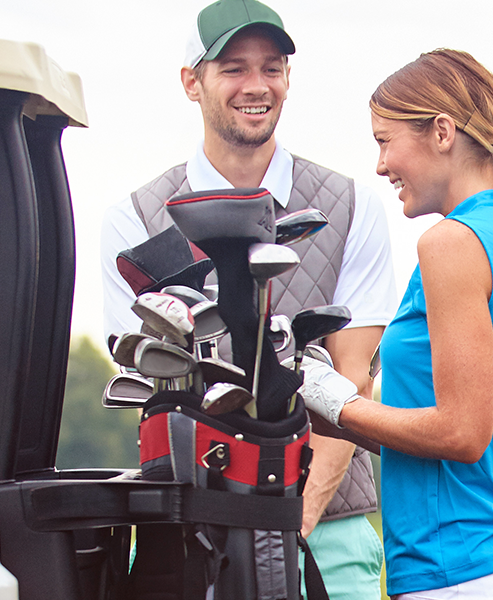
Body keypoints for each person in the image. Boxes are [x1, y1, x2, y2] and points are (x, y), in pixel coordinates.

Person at [95, 1, 391, 597]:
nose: (256, 86)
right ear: (191, 82)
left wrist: (286, 522)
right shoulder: (134, 219)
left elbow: (350, 384)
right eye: (233, 68)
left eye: (272, 68)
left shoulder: (353, 205)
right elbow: (157, 392)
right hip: (194, 528)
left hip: (326, 533)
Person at [294, 49, 493, 599]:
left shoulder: (450, 244)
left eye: (384, 140)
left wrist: (340, 402)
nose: (379, 165)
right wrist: (335, 416)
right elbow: (464, 440)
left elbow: (463, 434)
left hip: (461, 576)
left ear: (442, 131)